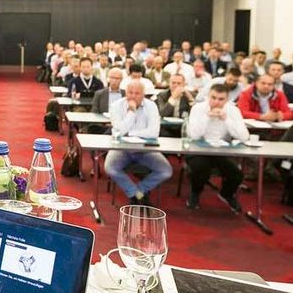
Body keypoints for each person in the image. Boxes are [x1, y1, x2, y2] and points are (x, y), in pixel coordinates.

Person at [105, 81, 173, 205]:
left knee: (165, 170)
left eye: (137, 93)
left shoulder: (151, 106)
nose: (133, 96)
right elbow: (119, 131)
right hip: (121, 149)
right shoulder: (116, 106)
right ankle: (134, 193)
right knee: (110, 168)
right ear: (125, 93)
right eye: (130, 92)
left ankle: (139, 192)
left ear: (143, 94)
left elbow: (153, 132)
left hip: (146, 150)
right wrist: (132, 111)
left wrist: (129, 133)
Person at [185, 83, 249, 212]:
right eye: (213, 98)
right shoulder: (198, 108)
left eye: (221, 99)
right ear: (208, 96)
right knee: (201, 168)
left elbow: (244, 137)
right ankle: (195, 193)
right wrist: (207, 117)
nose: (216, 102)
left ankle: (226, 194)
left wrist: (226, 119)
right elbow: (193, 135)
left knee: (236, 173)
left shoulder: (233, 110)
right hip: (198, 150)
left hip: (222, 151)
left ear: (227, 99)